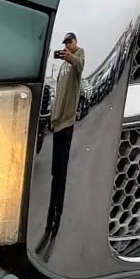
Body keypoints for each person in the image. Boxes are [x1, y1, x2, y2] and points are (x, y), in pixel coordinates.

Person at [42, 32, 85, 243]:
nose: (67, 46)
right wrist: (52, 116)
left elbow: (80, 65)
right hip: (58, 121)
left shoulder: (77, 58)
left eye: (70, 42)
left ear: (75, 42)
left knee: (62, 171)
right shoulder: (62, 67)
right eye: (65, 44)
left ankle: (57, 220)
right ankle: (49, 219)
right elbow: (58, 93)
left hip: (67, 122)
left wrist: (71, 57)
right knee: (54, 173)